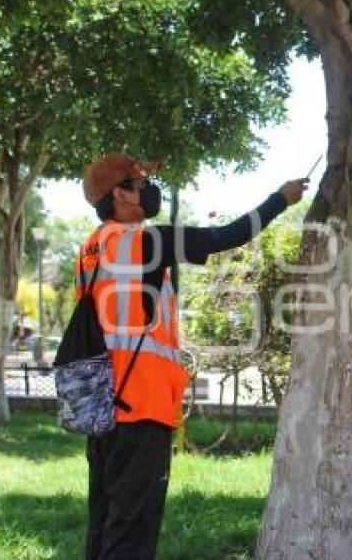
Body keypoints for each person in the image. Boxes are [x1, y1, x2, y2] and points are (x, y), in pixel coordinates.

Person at [79, 153, 306, 559]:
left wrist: (140, 170)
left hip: (100, 406)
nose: (148, 191)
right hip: (140, 407)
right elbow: (226, 237)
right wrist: (280, 199)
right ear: (120, 195)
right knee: (131, 533)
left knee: (104, 524)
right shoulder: (145, 241)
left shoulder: (93, 248)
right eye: (139, 184)